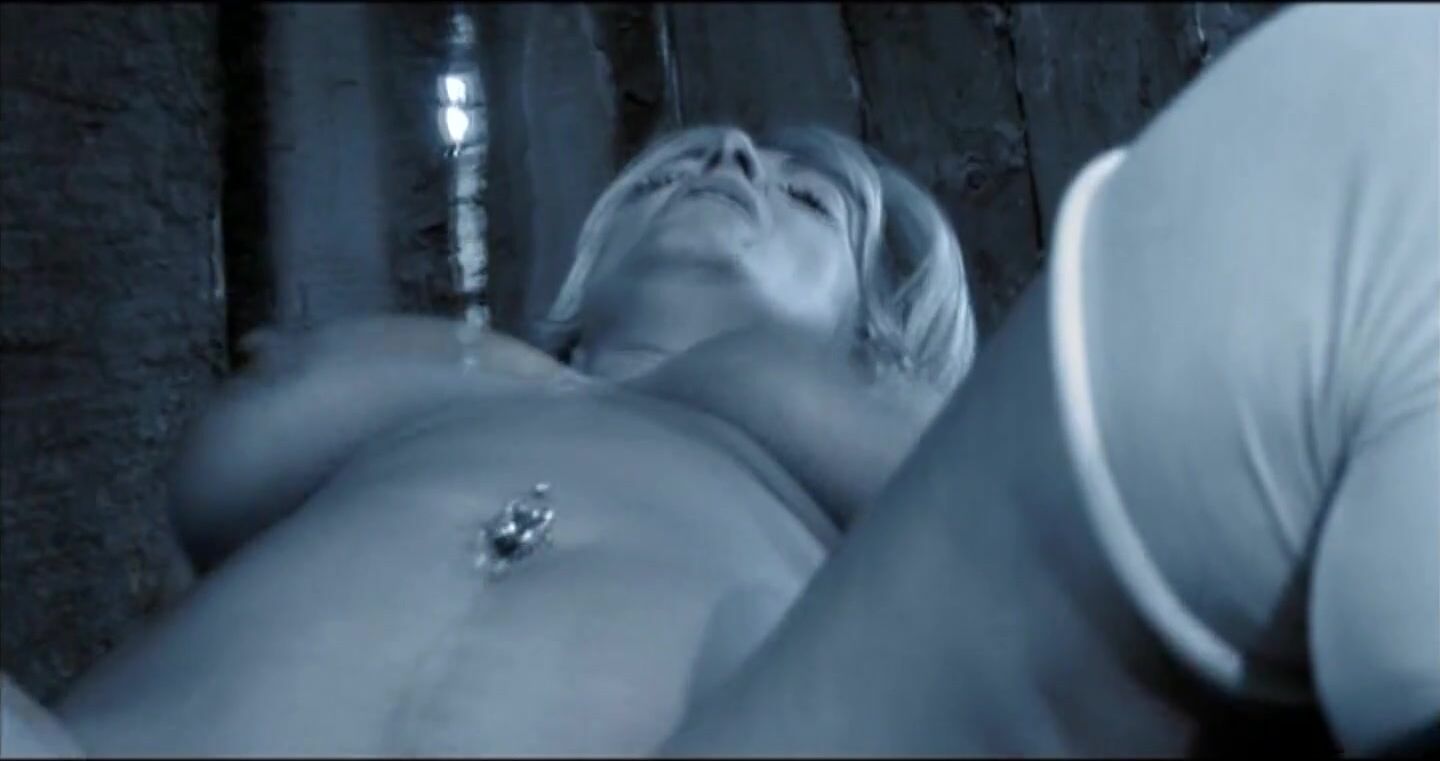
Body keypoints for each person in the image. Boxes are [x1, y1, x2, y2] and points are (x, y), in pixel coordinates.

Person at [2, 3, 1435, 757]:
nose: (739, 154)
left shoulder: (905, 441)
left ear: (882, 332)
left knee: (1387, 90)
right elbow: (220, 473)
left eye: (808, 198)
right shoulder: (441, 380)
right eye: (690, 165)